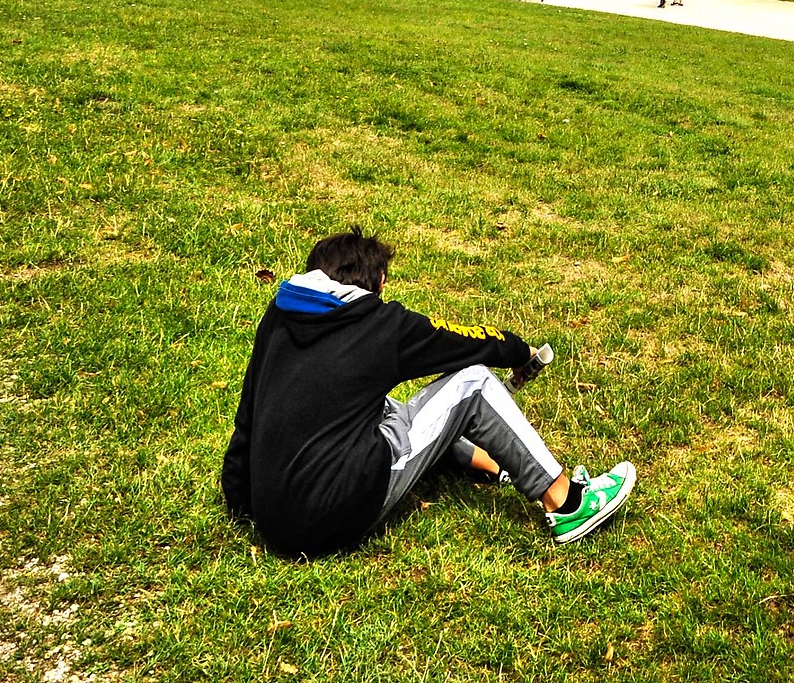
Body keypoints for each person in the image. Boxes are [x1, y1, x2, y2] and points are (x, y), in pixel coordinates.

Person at [220, 228, 636, 560]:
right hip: (334, 516)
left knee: (377, 405)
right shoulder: (381, 324)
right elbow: (466, 342)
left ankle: (490, 463)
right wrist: (520, 351)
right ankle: (566, 502)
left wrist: (240, 500)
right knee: (472, 383)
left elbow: (250, 413)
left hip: (272, 516)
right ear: (377, 282)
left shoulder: (278, 315)